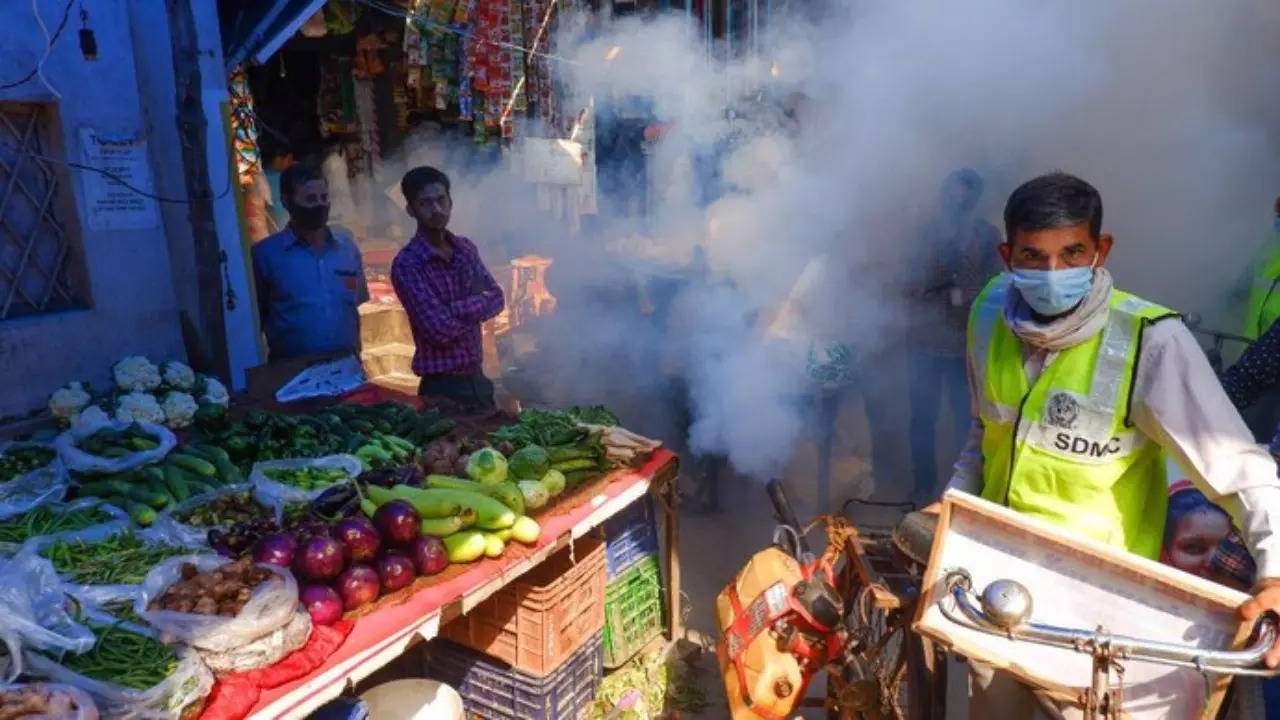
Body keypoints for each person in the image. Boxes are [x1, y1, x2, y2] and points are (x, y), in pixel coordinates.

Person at [937, 172, 1280, 716]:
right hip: (998, 594)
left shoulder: (1150, 342)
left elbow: (1244, 471)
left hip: (1099, 616)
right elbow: (983, 438)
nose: (1054, 273)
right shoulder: (988, 314)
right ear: (1007, 255)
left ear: (1102, 249)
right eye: (1034, 256)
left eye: (1072, 253)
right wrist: (950, 510)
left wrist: (1275, 574)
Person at [906, 168, 1003, 505]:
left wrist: (965, 291)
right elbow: (907, 282)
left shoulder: (987, 238)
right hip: (925, 344)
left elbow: (997, 287)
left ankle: (961, 496)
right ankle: (922, 490)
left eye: (966, 194)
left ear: (975, 199)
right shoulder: (924, 235)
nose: (957, 200)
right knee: (922, 421)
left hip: (965, 347)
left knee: (969, 425)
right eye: (952, 193)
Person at [390, 166, 504, 410]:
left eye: (441, 200)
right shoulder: (408, 264)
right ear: (411, 210)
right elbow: (438, 330)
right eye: (426, 203)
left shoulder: (465, 249)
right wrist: (475, 310)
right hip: (441, 389)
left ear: (451, 201)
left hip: (478, 381)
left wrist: (452, 309)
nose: (436, 210)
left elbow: (497, 298)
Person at [251, 162, 369, 363]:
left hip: (347, 369)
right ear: (287, 201)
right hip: (291, 375)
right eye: (310, 199)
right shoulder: (265, 255)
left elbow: (355, 300)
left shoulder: (347, 248)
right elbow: (256, 318)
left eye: (324, 198)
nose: (320, 205)